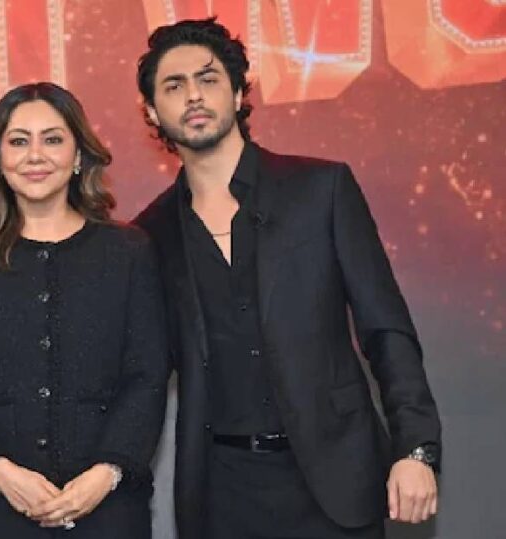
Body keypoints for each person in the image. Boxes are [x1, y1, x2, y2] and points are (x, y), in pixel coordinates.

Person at [130, 18, 441, 539]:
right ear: (151, 111)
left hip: (335, 484)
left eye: (208, 78)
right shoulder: (148, 235)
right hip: (222, 497)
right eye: (174, 85)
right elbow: (140, 373)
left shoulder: (321, 189)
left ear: (238, 91)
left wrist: (415, 448)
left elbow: (386, 330)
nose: (194, 95)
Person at [0, 82, 169, 538]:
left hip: (107, 506)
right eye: (18, 141)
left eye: (52, 139)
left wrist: (105, 474)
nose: (35, 155)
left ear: (78, 156)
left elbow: (147, 374)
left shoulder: (128, 250)